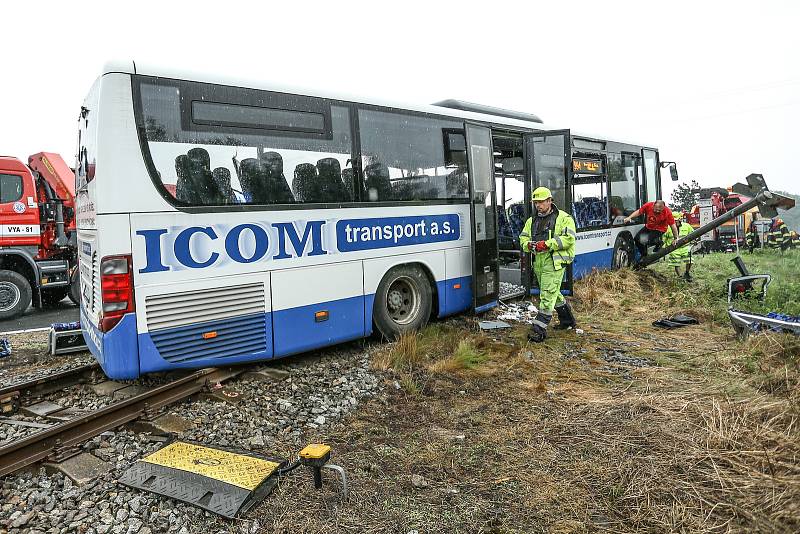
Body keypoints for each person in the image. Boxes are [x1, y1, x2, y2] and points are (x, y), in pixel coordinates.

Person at [519, 187, 577, 343]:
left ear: (550, 201)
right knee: (553, 292)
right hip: (538, 262)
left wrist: (547, 244)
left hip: (555, 261)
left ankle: (539, 330)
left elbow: (568, 239)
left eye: (541, 202)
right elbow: (523, 239)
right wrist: (529, 245)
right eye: (536, 202)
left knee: (546, 295)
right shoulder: (531, 221)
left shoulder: (564, 218)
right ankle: (568, 321)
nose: (538, 205)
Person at [663, 215, 694, 281]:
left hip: (685, 247)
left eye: (676, 220)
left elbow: (692, 234)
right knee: (676, 262)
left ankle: (687, 273)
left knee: (690, 259)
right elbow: (664, 238)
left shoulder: (687, 226)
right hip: (674, 248)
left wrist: (694, 241)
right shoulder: (668, 228)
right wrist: (664, 247)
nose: (675, 222)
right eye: (674, 221)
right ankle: (680, 276)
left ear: (680, 219)